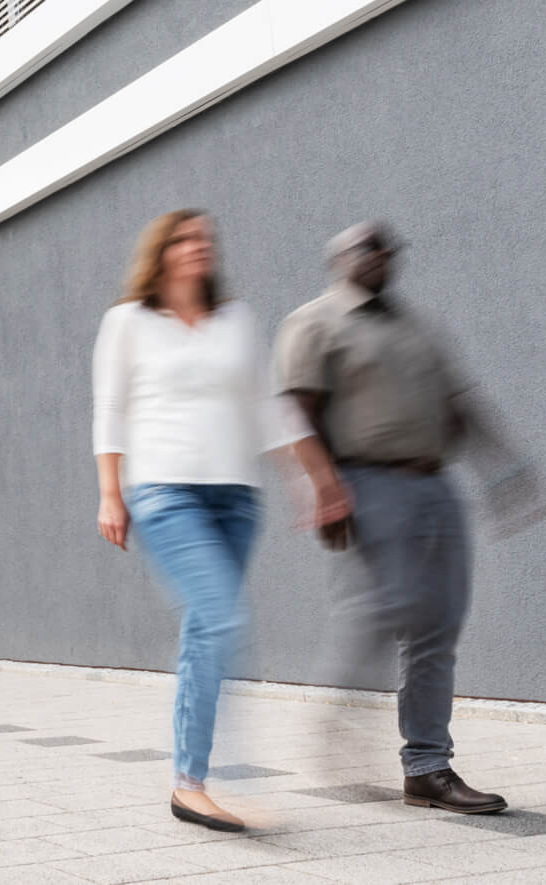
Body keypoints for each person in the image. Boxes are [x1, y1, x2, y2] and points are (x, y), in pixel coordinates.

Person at [94, 210, 349, 833]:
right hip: (163, 491)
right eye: (183, 239)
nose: (197, 248)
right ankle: (196, 781)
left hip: (236, 498)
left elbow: (268, 409)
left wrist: (316, 477)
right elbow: (111, 410)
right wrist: (109, 494)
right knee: (221, 616)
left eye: (205, 239)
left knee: (205, 630)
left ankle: (192, 778)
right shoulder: (128, 322)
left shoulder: (235, 320)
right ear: (160, 252)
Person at [274, 221, 506, 815]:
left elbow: (460, 402)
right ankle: (340, 723)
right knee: (386, 607)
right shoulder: (316, 321)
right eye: (366, 247)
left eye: (386, 248)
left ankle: (427, 768)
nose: (379, 256)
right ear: (341, 258)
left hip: (436, 486)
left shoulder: (417, 325)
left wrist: (502, 469)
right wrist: (322, 487)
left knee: (440, 623)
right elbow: (295, 413)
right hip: (368, 483)